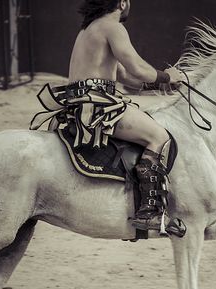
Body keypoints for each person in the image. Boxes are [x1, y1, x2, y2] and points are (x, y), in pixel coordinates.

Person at [67, 0, 185, 234]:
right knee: (159, 137)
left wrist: (156, 86)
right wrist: (166, 76)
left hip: (79, 104)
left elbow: (122, 74)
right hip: (98, 105)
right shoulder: (114, 27)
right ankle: (149, 212)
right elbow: (137, 67)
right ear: (122, 3)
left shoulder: (89, 28)